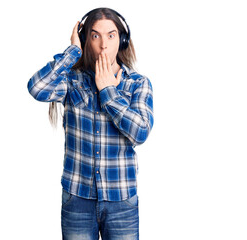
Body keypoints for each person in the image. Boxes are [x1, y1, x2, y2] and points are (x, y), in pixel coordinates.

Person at [27, 7, 154, 240]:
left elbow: (141, 132)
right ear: (87, 40)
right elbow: (37, 87)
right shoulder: (72, 79)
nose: (104, 44)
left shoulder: (138, 84)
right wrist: (72, 51)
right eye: (95, 35)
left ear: (122, 40)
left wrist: (108, 91)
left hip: (121, 201)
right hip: (77, 199)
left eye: (111, 35)